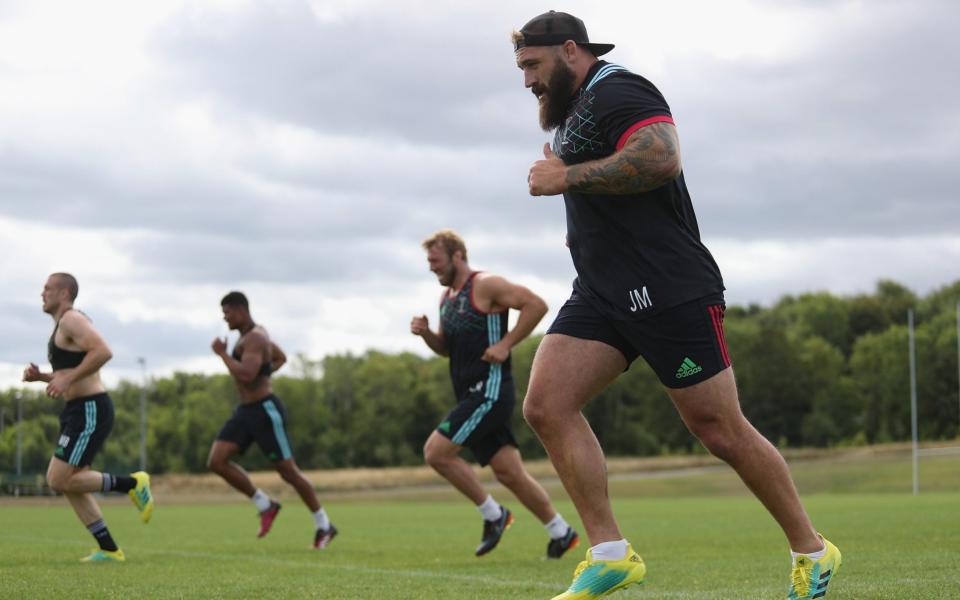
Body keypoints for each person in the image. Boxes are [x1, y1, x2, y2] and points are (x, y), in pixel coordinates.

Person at [512, 11, 841, 600]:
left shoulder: (619, 89)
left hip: (668, 286)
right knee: (545, 404)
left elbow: (660, 156)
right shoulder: (570, 113)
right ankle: (610, 554)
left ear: (569, 50)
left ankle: (812, 550)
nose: (528, 81)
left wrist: (569, 178)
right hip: (601, 291)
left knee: (718, 430)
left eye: (533, 66)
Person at [411, 229, 579, 559]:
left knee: (436, 453)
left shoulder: (485, 284)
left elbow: (536, 304)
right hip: (469, 396)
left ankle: (494, 514)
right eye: (429, 262)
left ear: (457, 255)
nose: (431, 267)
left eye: (436, 260)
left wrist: (506, 344)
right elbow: (445, 349)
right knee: (509, 473)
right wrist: (427, 333)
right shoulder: (447, 298)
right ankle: (561, 533)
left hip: (489, 392)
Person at [22, 272, 153, 563]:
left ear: (65, 293)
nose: (42, 293)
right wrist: (43, 377)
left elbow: (103, 352)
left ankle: (133, 484)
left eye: (48, 289)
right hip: (77, 410)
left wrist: (67, 381)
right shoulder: (61, 327)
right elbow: (71, 372)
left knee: (58, 479)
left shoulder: (71, 319)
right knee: (71, 481)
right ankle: (108, 548)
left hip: (90, 408)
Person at [209, 291, 336, 549]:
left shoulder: (255, 337)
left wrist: (223, 354)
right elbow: (280, 357)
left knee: (288, 472)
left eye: (228, 313)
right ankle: (265, 505)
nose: (225, 319)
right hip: (245, 411)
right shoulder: (250, 337)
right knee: (217, 460)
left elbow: (246, 374)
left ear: (241, 310)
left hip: (265, 411)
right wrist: (265, 372)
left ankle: (324, 525)